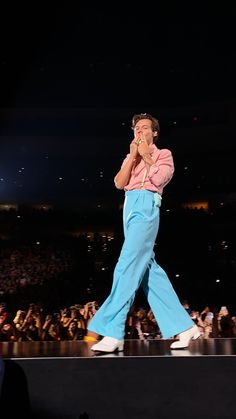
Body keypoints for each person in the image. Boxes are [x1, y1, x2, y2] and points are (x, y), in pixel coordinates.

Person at [84, 113, 200, 352]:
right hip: (129, 208)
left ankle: (111, 330)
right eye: (136, 128)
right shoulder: (130, 156)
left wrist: (146, 154)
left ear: (154, 133)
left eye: (145, 128)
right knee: (149, 271)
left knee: (126, 265)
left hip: (147, 206)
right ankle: (186, 327)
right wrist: (133, 157)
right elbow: (119, 182)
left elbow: (159, 178)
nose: (139, 131)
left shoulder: (163, 154)